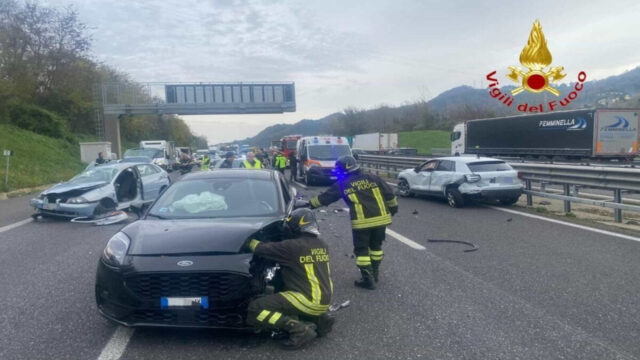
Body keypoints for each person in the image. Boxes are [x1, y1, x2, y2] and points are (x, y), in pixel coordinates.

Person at [246, 208, 334, 349]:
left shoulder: (292, 247)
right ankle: (320, 318)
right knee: (287, 294)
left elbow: (260, 249)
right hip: (325, 299)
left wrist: (247, 239)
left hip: (306, 299)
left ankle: (299, 330)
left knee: (256, 309)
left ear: (295, 226)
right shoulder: (322, 244)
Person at [309, 155, 398, 290]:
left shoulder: (343, 183)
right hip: (381, 220)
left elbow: (325, 198)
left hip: (362, 223)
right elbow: (390, 195)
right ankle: (375, 274)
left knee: (362, 250)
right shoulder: (373, 178)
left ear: (344, 169)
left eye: (338, 170)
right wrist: (393, 210)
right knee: (376, 247)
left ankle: (367, 280)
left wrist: (308, 205)